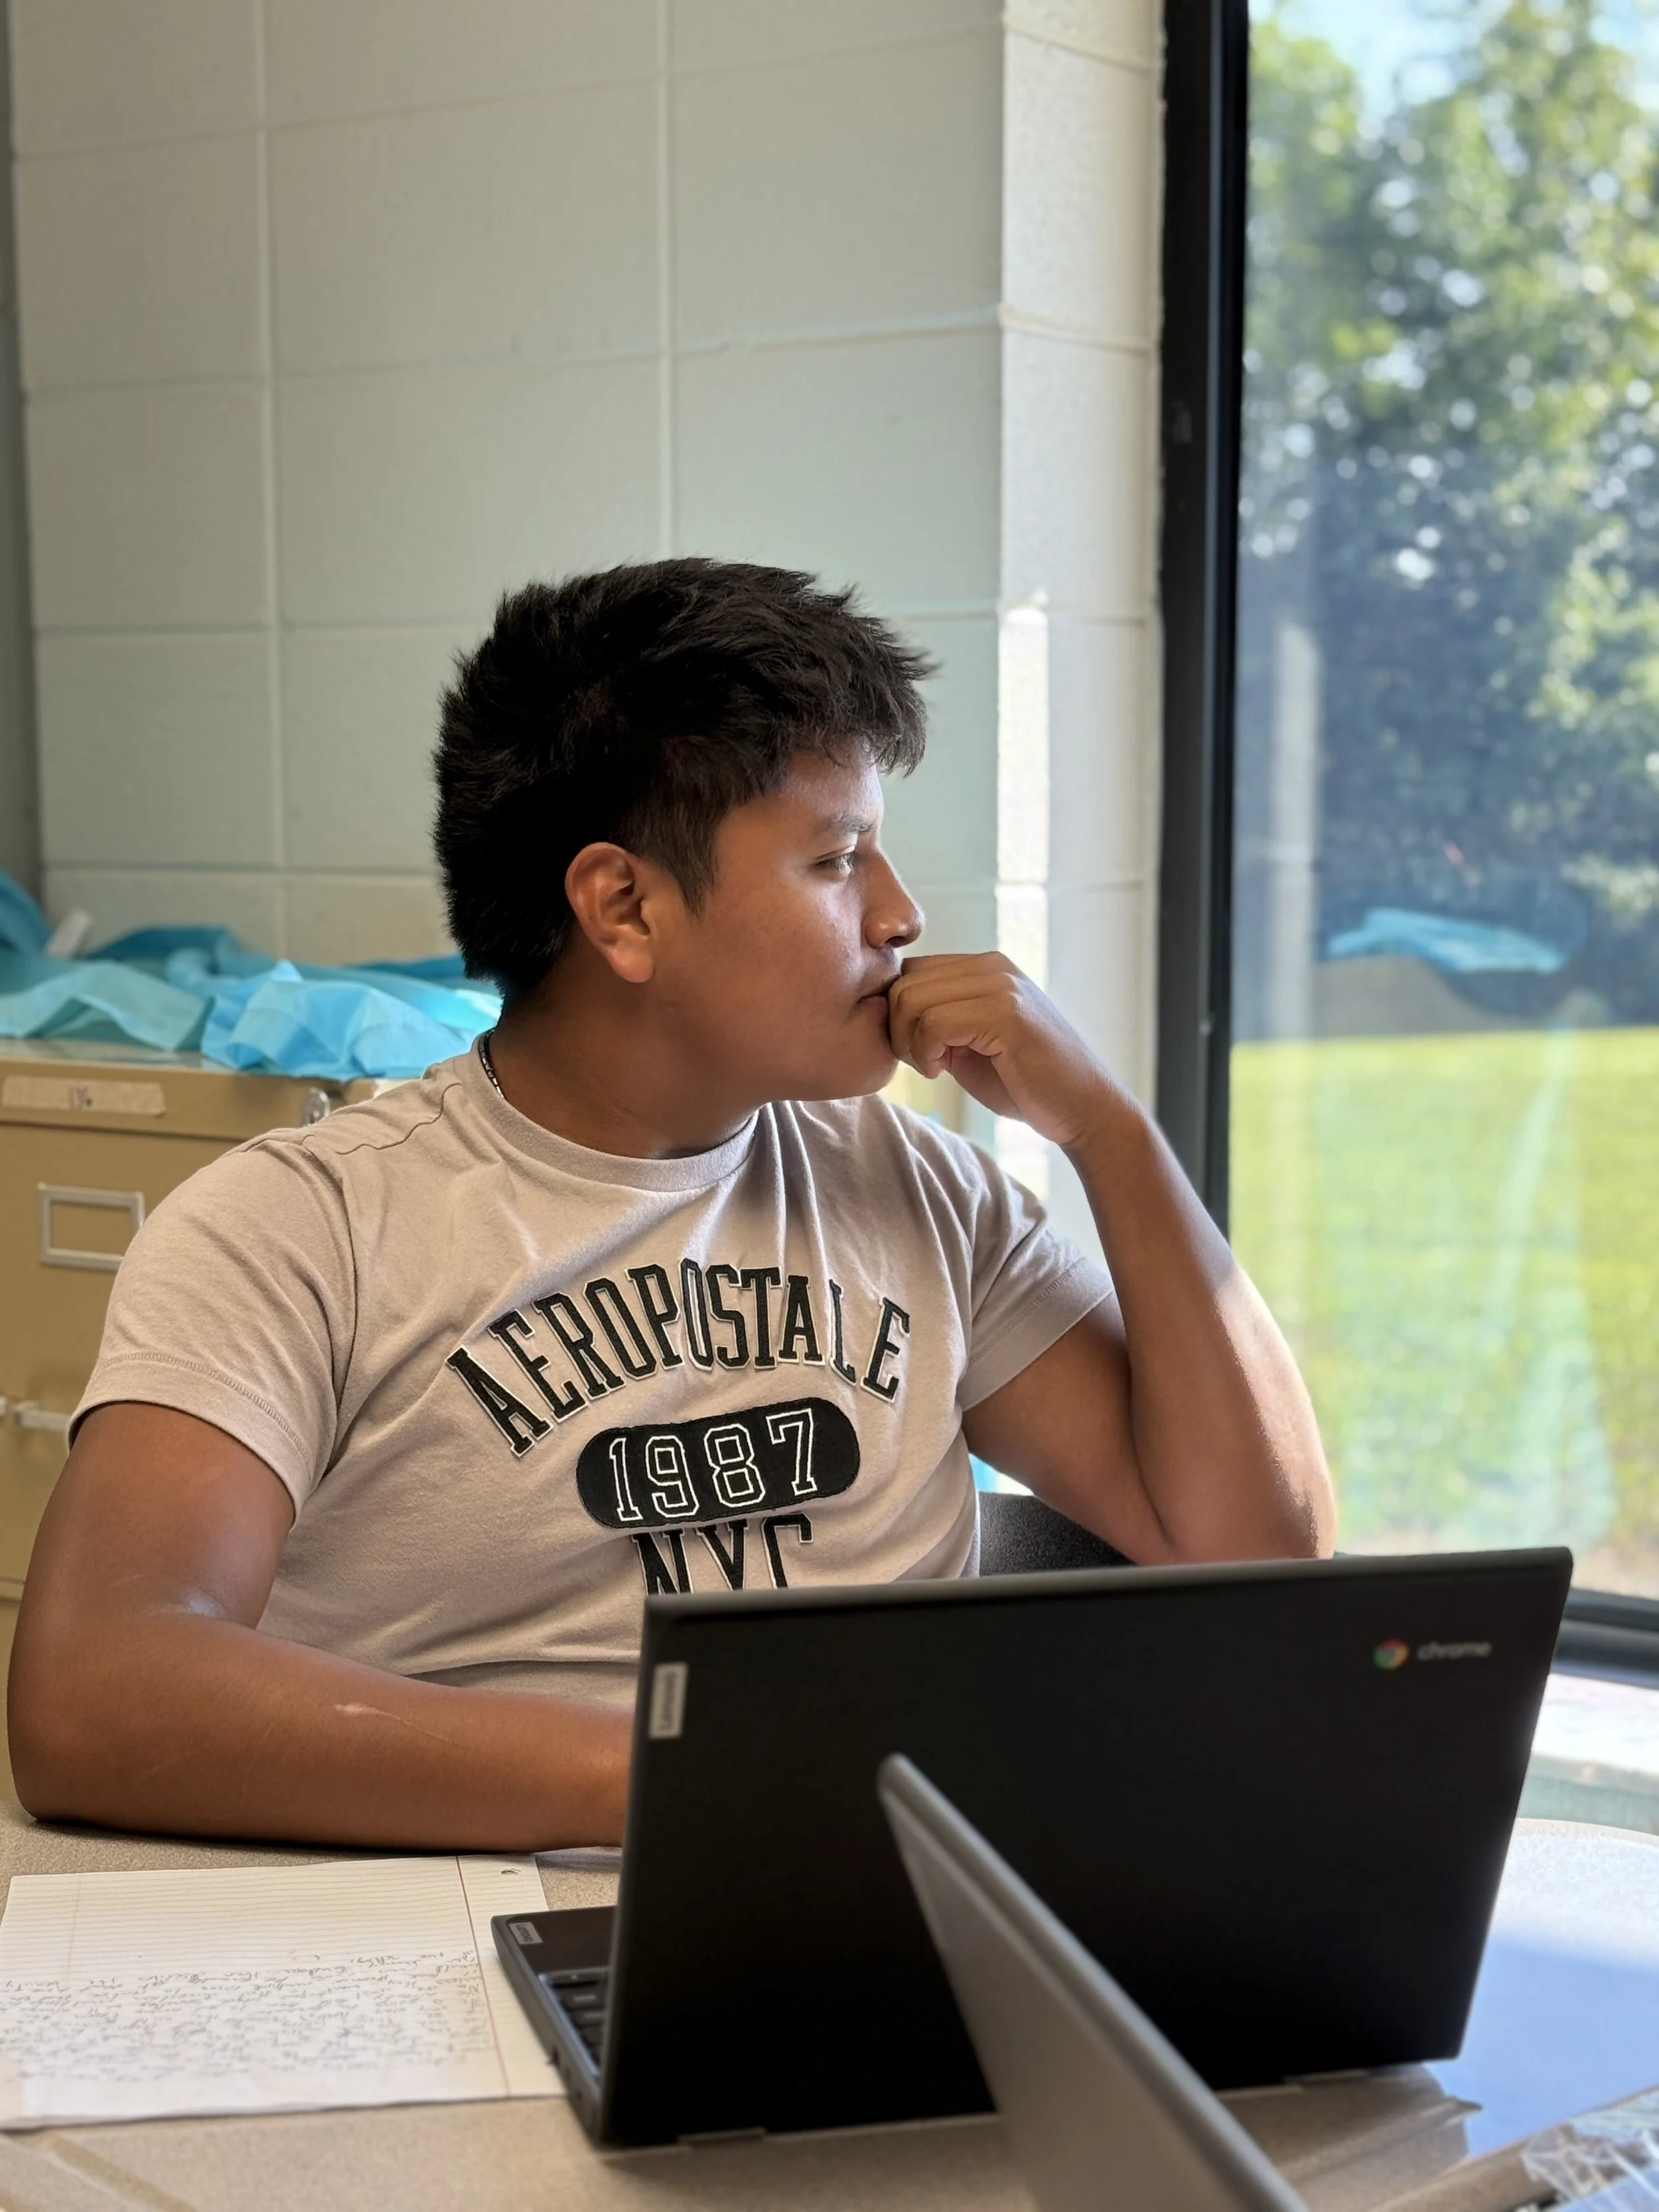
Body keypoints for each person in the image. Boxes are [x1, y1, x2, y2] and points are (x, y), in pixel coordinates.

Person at [9, 559, 1333, 1850]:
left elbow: (1263, 1562)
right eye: (836, 858)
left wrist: (1110, 1132)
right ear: (622, 907)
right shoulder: (296, 1228)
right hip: (462, 1933)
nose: (900, 914)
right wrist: (687, 1777)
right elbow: (95, 1693)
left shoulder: (926, 1193)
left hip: (868, 1908)